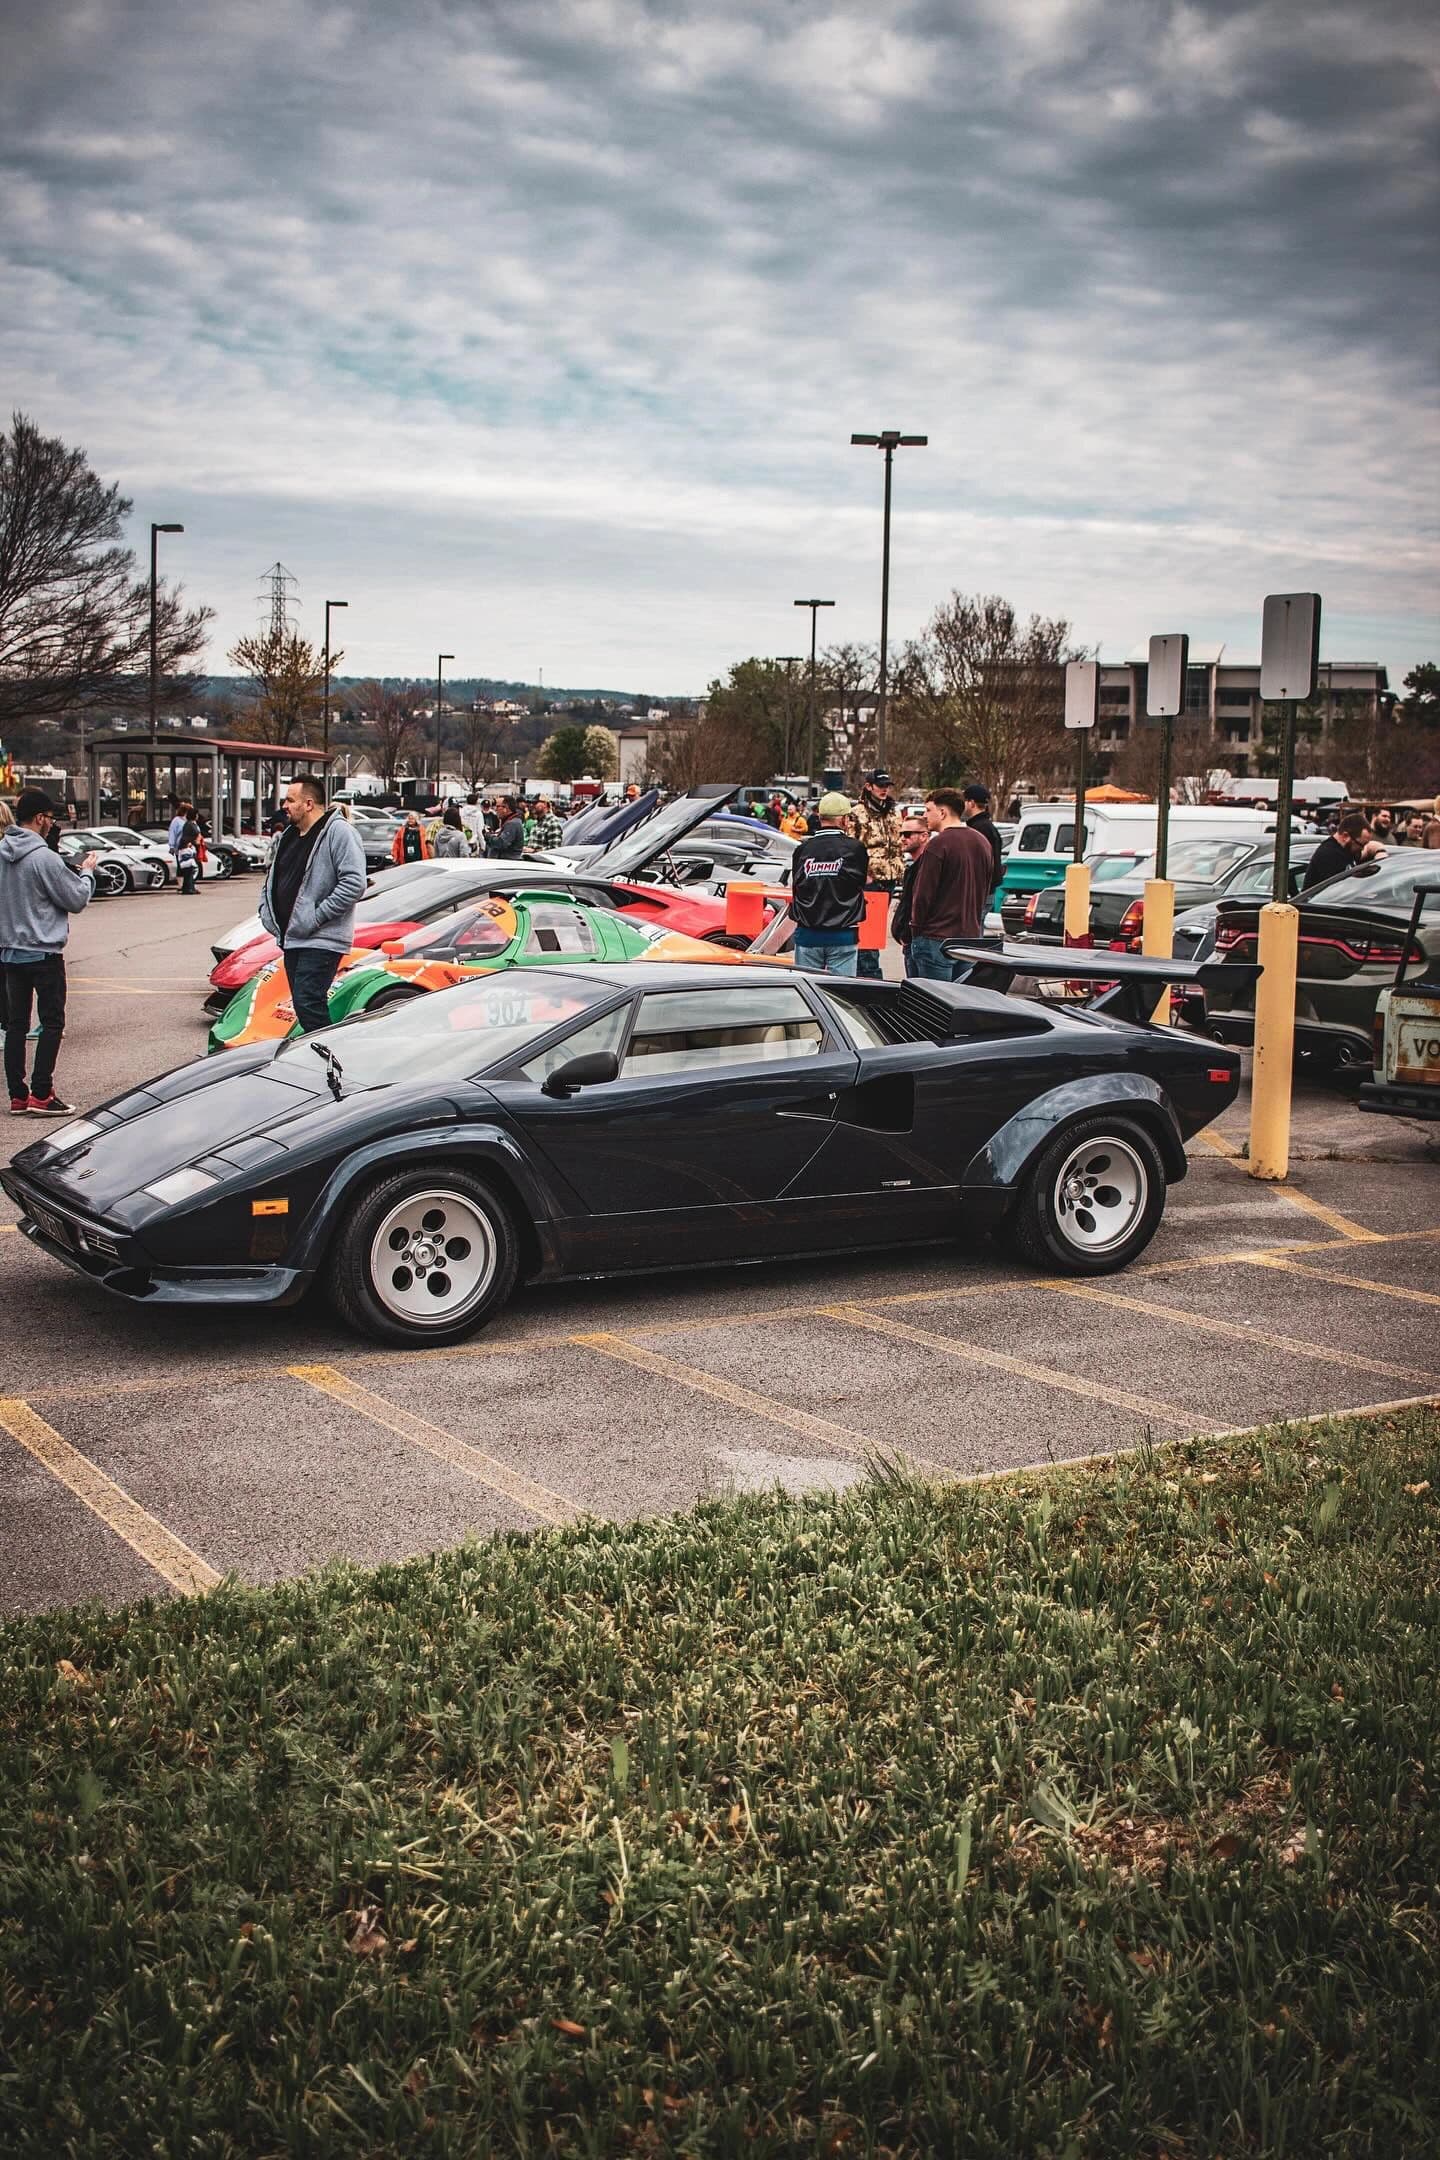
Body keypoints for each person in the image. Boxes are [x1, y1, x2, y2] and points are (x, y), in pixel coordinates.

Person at [0, 788, 98, 1115]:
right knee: (52, 1022)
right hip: (43, 953)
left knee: (15, 1026)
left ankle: (17, 1095)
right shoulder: (45, 858)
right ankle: (41, 1093)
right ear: (40, 818)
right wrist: (86, 872)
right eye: (50, 818)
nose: (50, 823)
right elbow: (76, 899)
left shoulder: (1, 852)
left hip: (10, 954)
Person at [257, 775, 367, 1034]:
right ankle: (324, 1057)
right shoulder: (289, 836)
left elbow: (353, 883)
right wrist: (266, 911)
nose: (284, 805)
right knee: (304, 1004)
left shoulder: (339, 832)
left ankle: (331, 1057)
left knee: (308, 1003)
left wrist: (315, 917)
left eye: (290, 800)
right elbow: (273, 879)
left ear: (308, 804)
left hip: (321, 939)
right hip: (292, 937)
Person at [907, 789, 993, 980]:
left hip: (936, 937)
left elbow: (923, 895)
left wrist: (916, 930)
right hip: (969, 938)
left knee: (933, 1004)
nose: (924, 816)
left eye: (928, 810)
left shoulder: (939, 844)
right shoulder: (982, 842)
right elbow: (986, 887)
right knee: (960, 1001)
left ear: (943, 812)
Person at [788, 792, 869, 975]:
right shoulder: (855, 848)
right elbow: (860, 883)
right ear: (844, 820)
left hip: (808, 932)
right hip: (843, 933)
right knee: (840, 994)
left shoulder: (803, 849)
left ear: (820, 816)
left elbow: (798, 886)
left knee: (806, 990)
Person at [850, 769, 905, 980]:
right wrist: (862, 874)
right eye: (880, 786)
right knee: (868, 934)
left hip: (890, 878)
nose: (884, 790)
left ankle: (867, 972)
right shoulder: (857, 813)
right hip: (869, 881)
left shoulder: (893, 812)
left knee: (875, 931)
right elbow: (851, 846)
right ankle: (870, 975)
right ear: (869, 786)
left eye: (886, 786)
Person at [891, 815, 929, 975]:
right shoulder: (913, 867)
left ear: (924, 836)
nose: (902, 839)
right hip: (911, 940)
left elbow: (920, 903)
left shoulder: (927, 867)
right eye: (901, 834)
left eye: (907, 834)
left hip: (919, 941)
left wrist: (907, 933)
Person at [1303, 811, 1370, 890]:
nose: (1362, 849)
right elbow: (1339, 891)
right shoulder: (1329, 855)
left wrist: (1379, 850)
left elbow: (1364, 853)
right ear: (1345, 836)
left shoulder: (1346, 850)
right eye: (1361, 845)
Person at [961, 780, 1004, 894]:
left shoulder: (979, 828)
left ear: (971, 803)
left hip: (980, 891)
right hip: (987, 889)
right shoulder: (987, 826)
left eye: (965, 801)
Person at [485, 794, 526, 859]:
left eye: (498, 806)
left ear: (506, 808)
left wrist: (488, 836)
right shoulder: (509, 821)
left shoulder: (512, 823)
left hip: (507, 863)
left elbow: (501, 843)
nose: (495, 809)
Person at [175, 811, 202, 895]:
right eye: (196, 814)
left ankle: (190, 887)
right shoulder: (189, 824)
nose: (197, 816)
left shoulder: (192, 824)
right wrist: (195, 839)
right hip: (186, 848)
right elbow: (193, 834)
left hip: (191, 848)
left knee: (191, 869)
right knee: (188, 869)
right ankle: (187, 888)